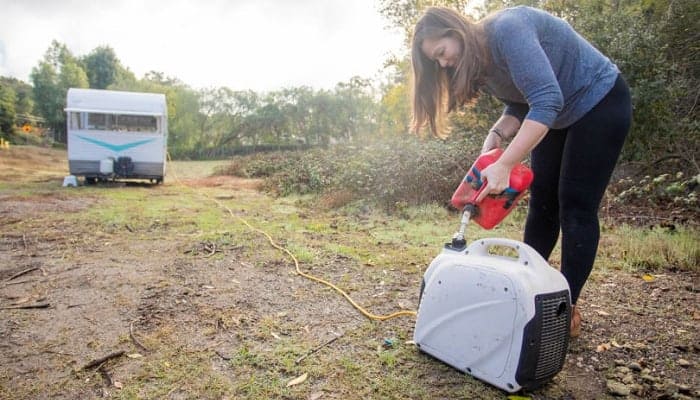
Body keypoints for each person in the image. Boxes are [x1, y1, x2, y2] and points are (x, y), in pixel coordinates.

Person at [411, 6, 632, 337]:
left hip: (599, 100)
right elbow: (520, 101)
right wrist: (495, 141)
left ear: (455, 32)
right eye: (435, 61)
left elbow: (545, 100)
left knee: (574, 205)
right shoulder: (477, 62)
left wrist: (506, 164)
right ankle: (531, 296)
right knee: (543, 205)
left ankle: (563, 311)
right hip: (556, 111)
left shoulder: (508, 30)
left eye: (442, 53)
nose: (443, 64)